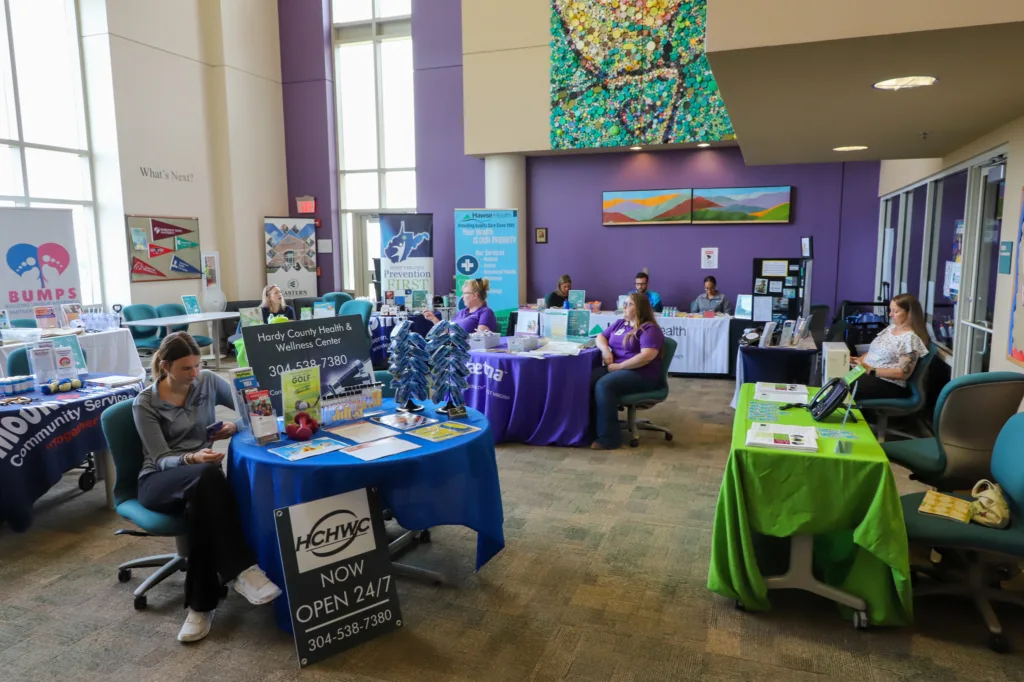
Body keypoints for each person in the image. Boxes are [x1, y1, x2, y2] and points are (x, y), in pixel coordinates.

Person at [133, 332, 282, 643]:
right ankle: (242, 569)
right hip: (159, 481)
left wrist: (234, 426)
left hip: (202, 483)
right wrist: (191, 457)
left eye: (198, 366)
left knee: (202, 503)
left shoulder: (209, 381)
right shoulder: (145, 402)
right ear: (165, 366)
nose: (195, 374)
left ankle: (201, 607)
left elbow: (254, 411)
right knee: (207, 476)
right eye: (186, 369)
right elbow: (160, 459)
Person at [591, 293, 665, 450]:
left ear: (639, 308)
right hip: (618, 369)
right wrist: (606, 351)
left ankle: (609, 438)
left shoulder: (649, 329)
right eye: (624, 304)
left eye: (628, 304)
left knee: (605, 385)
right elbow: (600, 337)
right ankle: (592, 428)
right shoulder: (620, 324)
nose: (623, 307)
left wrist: (620, 366)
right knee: (589, 378)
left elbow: (647, 356)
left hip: (641, 374)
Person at [851, 293, 930, 399]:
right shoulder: (891, 328)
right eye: (890, 310)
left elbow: (903, 373)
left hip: (887, 383)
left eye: (895, 311)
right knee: (835, 376)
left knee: (844, 387)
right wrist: (858, 360)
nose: (890, 314)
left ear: (909, 313)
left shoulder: (910, 338)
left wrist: (870, 369)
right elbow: (875, 351)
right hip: (868, 373)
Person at [424, 278, 498, 333]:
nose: (462, 296)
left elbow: (481, 338)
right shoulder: (461, 312)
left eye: (465, 293)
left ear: (475, 295)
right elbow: (446, 331)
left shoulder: (486, 312)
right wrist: (433, 319)